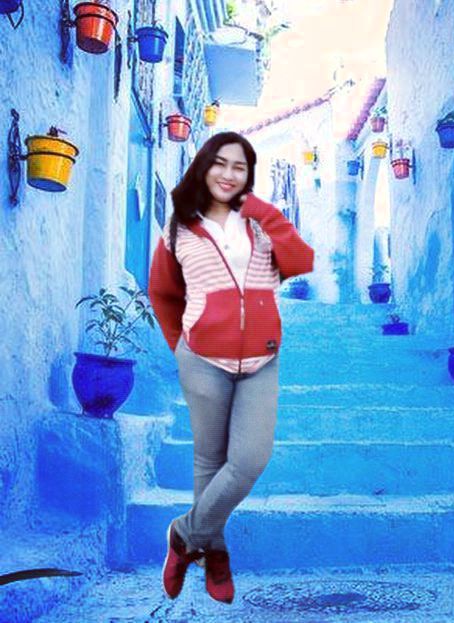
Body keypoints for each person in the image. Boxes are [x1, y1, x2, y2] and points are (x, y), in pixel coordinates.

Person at [147, 131, 314, 604]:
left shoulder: (261, 225)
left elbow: (302, 260)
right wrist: (182, 344)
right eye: (219, 163)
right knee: (209, 459)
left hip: (261, 359)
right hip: (202, 358)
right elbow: (162, 292)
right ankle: (214, 552)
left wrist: (262, 211)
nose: (228, 173)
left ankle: (184, 535)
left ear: (248, 176)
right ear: (204, 167)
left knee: (249, 460)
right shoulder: (179, 229)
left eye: (239, 167)